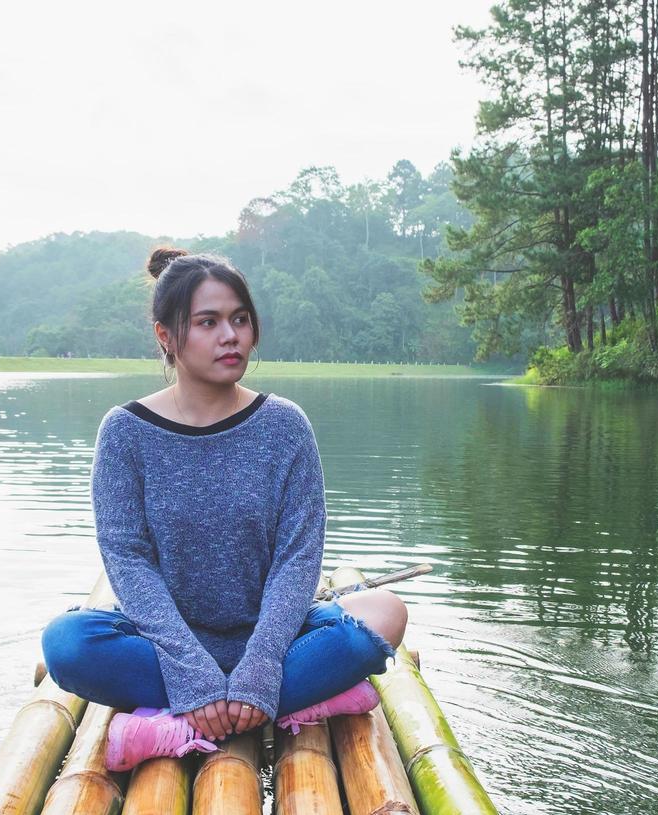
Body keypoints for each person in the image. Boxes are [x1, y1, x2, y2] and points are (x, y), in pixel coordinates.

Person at [40, 246, 406, 771]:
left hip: (275, 641)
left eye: (240, 320)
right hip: (164, 647)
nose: (230, 336)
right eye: (208, 322)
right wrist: (191, 670)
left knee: (387, 612)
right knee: (67, 644)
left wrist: (260, 665)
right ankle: (288, 701)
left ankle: (180, 723)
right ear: (166, 336)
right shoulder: (125, 432)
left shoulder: (285, 426)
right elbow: (127, 560)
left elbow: (298, 558)